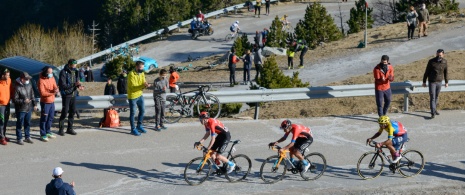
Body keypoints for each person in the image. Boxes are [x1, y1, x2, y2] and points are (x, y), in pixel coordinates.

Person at [58, 59, 84, 136]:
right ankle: (61, 129)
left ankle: (70, 128)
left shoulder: (76, 71)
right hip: (66, 95)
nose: (75, 66)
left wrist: (79, 86)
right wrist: (74, 84)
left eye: (76, 64)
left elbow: (77, 81)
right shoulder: (63, 72)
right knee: (65, 111)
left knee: (72, 111)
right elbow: (63, 85)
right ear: (69, 64)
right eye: (74, 64)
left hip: (74, 94)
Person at [128, 61, 152, 136]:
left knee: (142, 110)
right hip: (132, 96)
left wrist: (146, 84)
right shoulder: (131, 74)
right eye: (141, 68)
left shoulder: (142, 73)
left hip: (140, 95)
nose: (142, 69)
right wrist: (143, 86)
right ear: (136, 67)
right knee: (133, 113)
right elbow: (133, 87)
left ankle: (139, 125)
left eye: (143, 67)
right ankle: (133, 129)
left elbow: (143, 81)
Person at [422, 49, 448, 119]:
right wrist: (424, 81)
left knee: (436, 96)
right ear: (436, 54)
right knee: (432, 97)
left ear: (443, 55)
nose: (439, 56)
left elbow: (446, 72)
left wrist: (446, 82)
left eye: (440, 55)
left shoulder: (444, 62)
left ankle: (435, 109)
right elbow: (426, 72)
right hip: (432, 82)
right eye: (437, 54)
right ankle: (432, 112)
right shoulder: (431, 61)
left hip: (439, 82)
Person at [14, 72, 37, 145]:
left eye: (28, 79)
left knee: (27, 123)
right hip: (21, 109)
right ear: (22, 79)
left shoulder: (29, 85)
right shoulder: (17, 87)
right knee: (20, 124)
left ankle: (27, 136)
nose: (27, 80)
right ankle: (19, 138)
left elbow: (32, 95)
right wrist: (23, 101)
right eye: (26, 79)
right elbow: (15, 100)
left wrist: (35, 104)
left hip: (29, 108)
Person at [38, 66, 58, 142]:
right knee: (44, 119)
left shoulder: (52, 78)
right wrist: (52, 93)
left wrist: (56, 89)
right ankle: (43, 134)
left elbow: (55, 86)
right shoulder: (41, 80)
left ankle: (48, 131)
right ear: (45, 73)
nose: (51, 74)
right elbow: (42, 93)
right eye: (49, 73)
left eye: (51, 72)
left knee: (51, 117)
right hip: (45, 102)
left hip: (52, 101)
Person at [0, 68, 13, 145]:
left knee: (6, 121)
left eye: (9, 75)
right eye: (7, 75)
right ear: (3, 75)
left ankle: (3, 135)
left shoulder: (9, 80)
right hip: (1, 105)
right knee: (1, 121)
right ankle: (1, 138)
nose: (8, 76)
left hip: (7, 104)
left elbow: (11, 90)